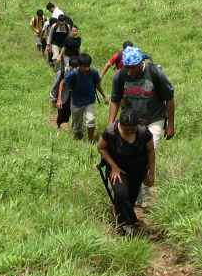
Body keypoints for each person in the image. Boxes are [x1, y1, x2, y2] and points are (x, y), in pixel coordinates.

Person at [107, 46, 174, 205]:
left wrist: (170, 124)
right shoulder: (120, 75)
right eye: (126, 68)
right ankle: (131, 191)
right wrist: (110, 124)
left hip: (154, 119)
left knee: (149, 150)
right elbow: (115, 100)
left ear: (140, 64)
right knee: (130, 154)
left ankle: (147, 191)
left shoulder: (155, 73)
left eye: (132, 68)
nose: (129, 72)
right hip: (131, 122)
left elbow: (169, 98)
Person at [99, 107, 155, 234]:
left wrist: (151, 172)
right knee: (121, 193)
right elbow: (101, 147)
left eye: (132, 129)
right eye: (126, 129)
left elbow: (151, 151)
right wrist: (113, 166)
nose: (129, 131)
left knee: (130, 198)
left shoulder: (143, 132)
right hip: (118, 170)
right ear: (120, 124)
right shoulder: (110, 132)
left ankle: (122, 218)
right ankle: (128, 225)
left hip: (138, 170)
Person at [59, 54, 105, 142]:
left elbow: (97, 85)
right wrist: (59, 99)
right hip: (76, 103)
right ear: (79, 66)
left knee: (91, 120)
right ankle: (77, 139)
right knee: (77, 126)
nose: (87, 68)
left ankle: (90, 140)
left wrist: (104, 96)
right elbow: (62, 83)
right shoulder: (73, 74)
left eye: (88, 66)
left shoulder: (93, 72)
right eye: (84, 67)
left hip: (89, 101)